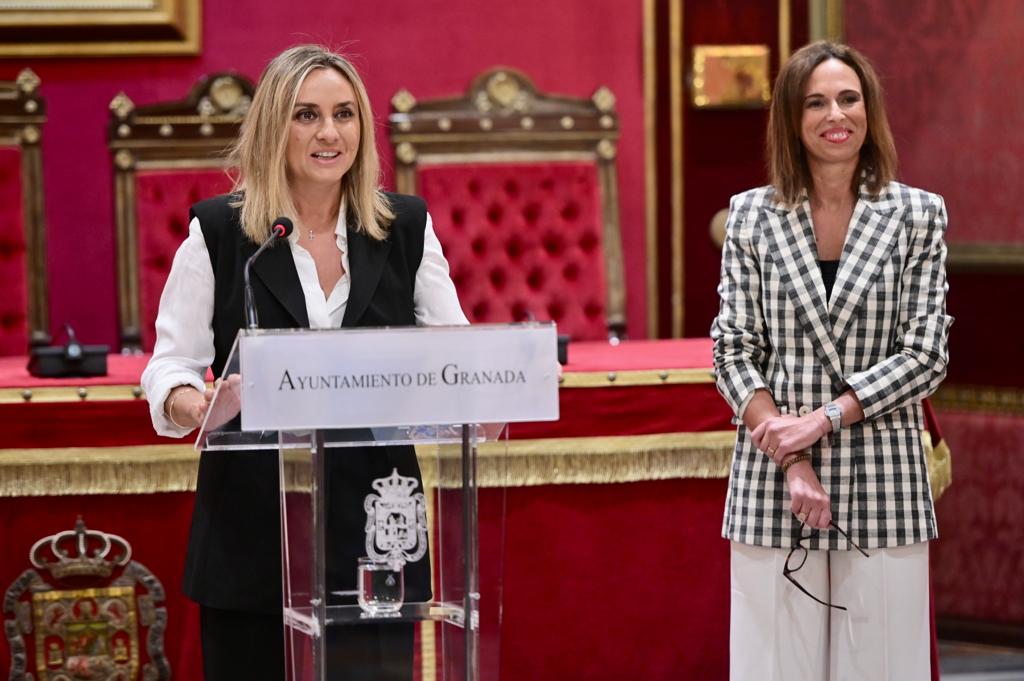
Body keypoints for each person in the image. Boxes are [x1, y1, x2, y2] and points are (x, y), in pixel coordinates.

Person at [141, 45, 468, 681]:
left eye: (344, 114)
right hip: (253, 524)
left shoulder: (404, 227)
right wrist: (197, 404)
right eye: (306, 115)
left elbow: (453, 353)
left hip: (377, 519)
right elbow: (170, 365)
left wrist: (499, 373)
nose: (329, 133)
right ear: (273, 126)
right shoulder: (220, 233)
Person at [711, 41, 952, 681]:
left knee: (884, 669)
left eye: (849, 99)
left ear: (869, 110)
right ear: (792, 118)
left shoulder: (918, 215)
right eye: (815, 102)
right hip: (775, 482)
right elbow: (732, 350)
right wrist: (793, 457)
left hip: (885, 477)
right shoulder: (750, 215)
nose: (835, 114)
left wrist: (820, 421)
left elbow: (926, 356)